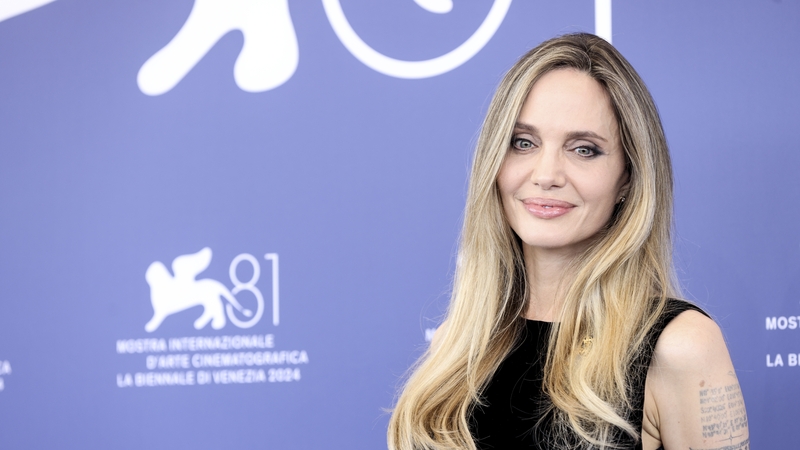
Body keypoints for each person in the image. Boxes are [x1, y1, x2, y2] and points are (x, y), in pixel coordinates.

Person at [387, 33, 749, 450]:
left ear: (628, 179)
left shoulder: (680, 345)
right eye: (523, 143)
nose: (546, 175)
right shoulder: (457, 344)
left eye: (584, 149)